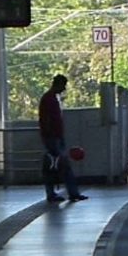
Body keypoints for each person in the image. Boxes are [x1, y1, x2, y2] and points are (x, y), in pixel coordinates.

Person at [38, 74, 86, 203]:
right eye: (63, 86)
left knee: (56, 167)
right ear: (58, 84)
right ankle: (70, 193)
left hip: (55, 137)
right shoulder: (49, 99)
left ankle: (59, 193)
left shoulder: (52, 98)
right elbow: (47, 120)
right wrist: (51, 137)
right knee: (61, 166)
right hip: (53, 138)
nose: (64, 89)